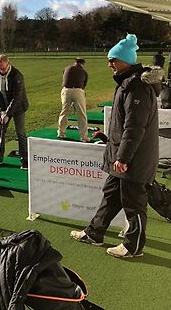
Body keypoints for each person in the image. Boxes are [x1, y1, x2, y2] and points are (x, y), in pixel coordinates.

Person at [70, 34, 161, 258]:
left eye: (113, 59)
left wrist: (123, 158)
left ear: (126, 60)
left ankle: (133, 246)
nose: (109, 63)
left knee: (134, 203)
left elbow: (134, 127)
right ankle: (94, 233)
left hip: (133, 160)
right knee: (110, 195)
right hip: (122, 155)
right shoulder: (128, 82)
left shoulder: (137, 87)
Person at [0, 54, 29, 169]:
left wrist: (8, 114)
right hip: (4, 107)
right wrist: (2, 111)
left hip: (18, 107)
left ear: (8, 64)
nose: (0, 70)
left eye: (2, 68)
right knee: (0, 132)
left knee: (20, 133)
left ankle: (25, 160)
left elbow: (17, 97)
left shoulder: (17, 75)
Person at [57, 58, 89, 142]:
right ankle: (84, 137)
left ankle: (61, 133)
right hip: (78, 90)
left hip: (65, 90)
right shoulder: (84, 72)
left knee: (64, 112)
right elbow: (84, 84)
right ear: (82, 64)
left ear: (75, 62)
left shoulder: (67, 68)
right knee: (81, 114)